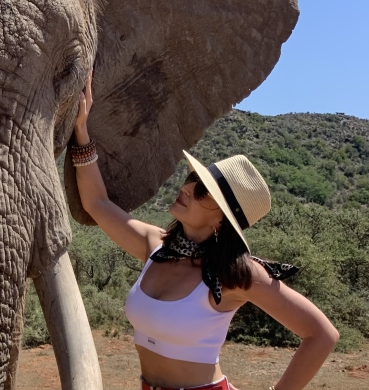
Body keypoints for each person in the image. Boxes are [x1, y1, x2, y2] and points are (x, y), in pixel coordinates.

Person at [73, 72, 339, 390]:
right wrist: (81, 130)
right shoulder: (155, 245)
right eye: (191, 179)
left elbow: (322, 334)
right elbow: (97, 203)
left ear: (221, 220)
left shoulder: (235, 273)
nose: (186, 188)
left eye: (202, 191)